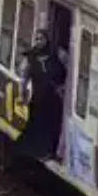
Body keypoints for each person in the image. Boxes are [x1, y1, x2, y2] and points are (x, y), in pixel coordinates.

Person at [17, 30, 68, 160]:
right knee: (38, 123)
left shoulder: (57, 53)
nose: (39, 42)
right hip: (39, 96)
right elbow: (24, 75)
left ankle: (52, 151)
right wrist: (22, 93)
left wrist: (64, 87)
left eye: (41, 39)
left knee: (53, 124)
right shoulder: (31, 56)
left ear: (47, 39)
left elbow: (70, 68)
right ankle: (37, 151)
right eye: (37, 39)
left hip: (54, 97)